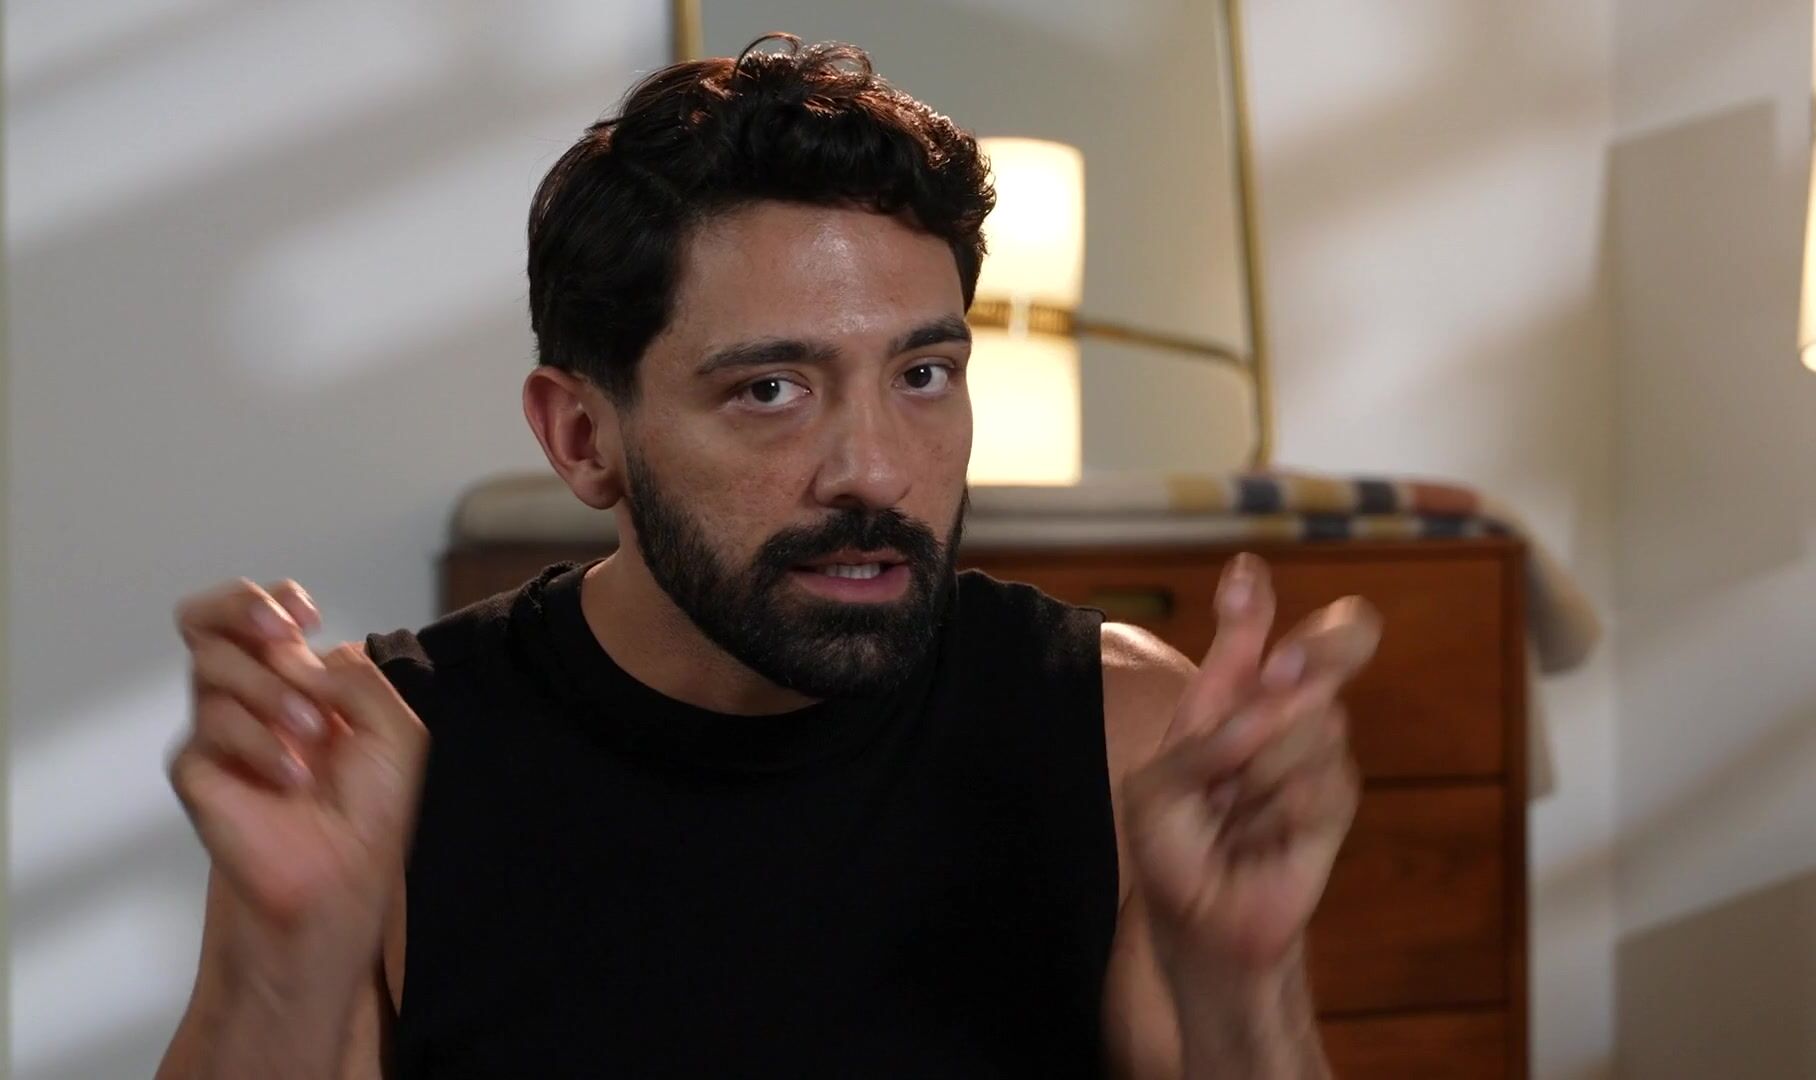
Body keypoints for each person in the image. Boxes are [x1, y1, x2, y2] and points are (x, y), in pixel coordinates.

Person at [156, 35, 1380, 1079]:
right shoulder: (388, 757)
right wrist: (283, 964)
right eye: (771, 389)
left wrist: (1249, 991)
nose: (875, 471)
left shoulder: (1118, 728)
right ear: (583, 437)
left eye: (922, 374)